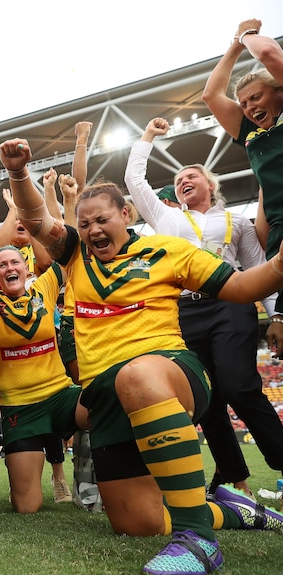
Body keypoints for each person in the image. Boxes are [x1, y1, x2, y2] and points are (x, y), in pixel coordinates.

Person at [2, 137, 283, 575]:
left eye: (103, 219)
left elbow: (243, 288)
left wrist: (280, 265)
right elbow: (37, 219)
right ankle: (234, 509)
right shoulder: (74, 256)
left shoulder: (168, 251)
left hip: (170, 372)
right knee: (139, 523)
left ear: (126, 215)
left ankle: (199, 543)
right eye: (86, 222)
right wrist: (19, 174)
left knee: (135, 374)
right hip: (107, 399)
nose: (94, 229)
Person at [126, 116, 283, 498]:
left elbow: (258, 268)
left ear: (210, 185)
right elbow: (134, 180)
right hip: (181, 311)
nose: (183, 181)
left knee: (240, 386)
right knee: (205, 396)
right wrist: (147, 135)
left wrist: (276, 314)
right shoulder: (166, 218)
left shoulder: (238, 222)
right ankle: (233, 478)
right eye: (179, 180)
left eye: (191, 176)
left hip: (229, 302)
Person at [0, 179, 81, 514]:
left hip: (62, 396)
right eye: (2, 265)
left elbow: (64, 246)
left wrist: (59, 201)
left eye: (15, 263)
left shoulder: (46, 287)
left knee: (108, 403)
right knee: (27, 507)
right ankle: (23, 482)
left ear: (26, 268)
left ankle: (97, 479)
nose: (10, 267)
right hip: (21, 409)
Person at [202, 18, 283, 313]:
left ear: (278, 92)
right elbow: (210, 95)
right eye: (244, 103)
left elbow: (268, 55)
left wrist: (247, 34)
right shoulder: (249, 131)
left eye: (256, 97)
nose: (249, 107)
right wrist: (234, 45)